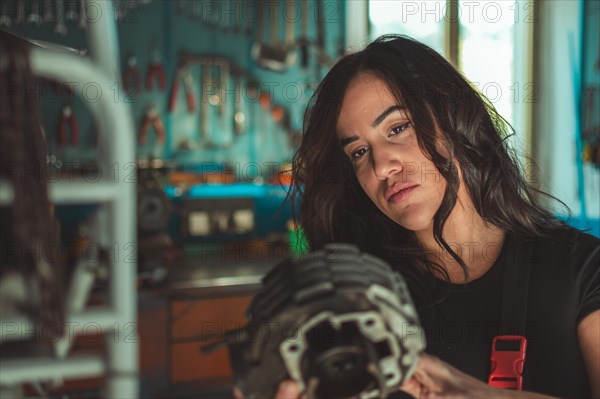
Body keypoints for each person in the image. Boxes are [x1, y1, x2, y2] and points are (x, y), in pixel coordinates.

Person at [275, 35, 599, 398]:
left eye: (397, 128)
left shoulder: (582, 270)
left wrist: (467, 391)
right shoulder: (360, 300)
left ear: (454, 118)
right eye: (360, 152)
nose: (381, 165)